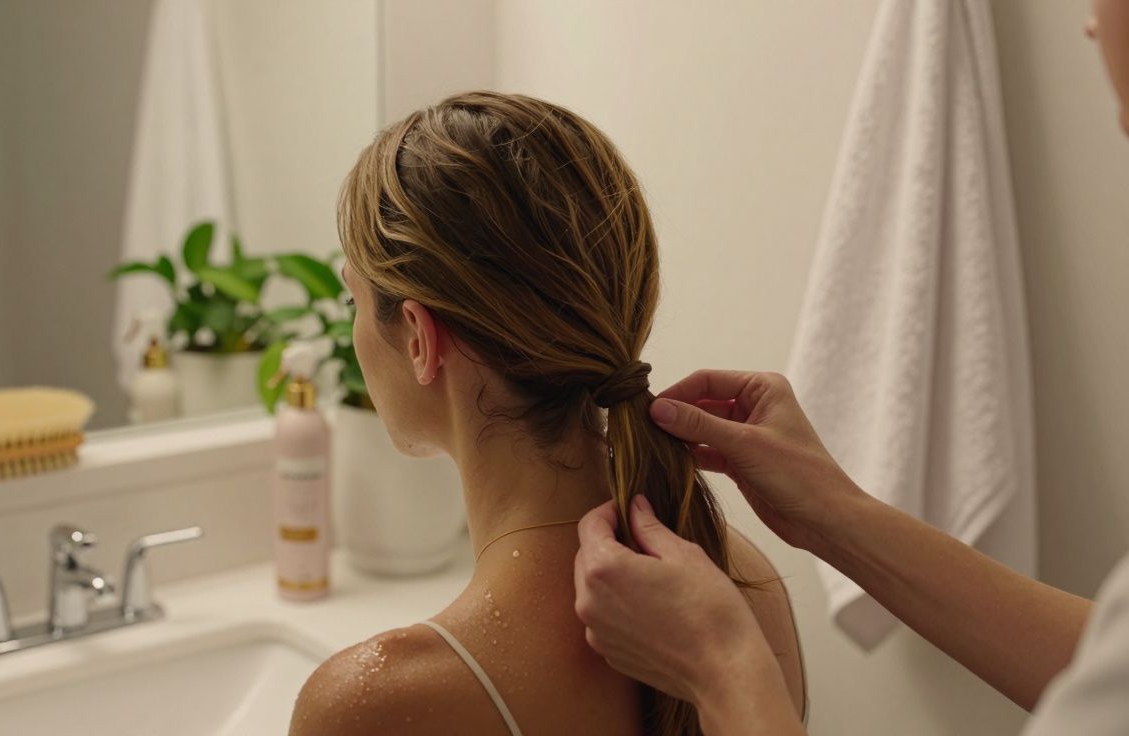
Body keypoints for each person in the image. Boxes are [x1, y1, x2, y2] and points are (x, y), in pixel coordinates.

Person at [573, 3, 1129, 733]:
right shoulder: (754, 582)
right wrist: (835, 513)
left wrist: (725, 667)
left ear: (424, 337)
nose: (1088, 26)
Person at [290, 92, 805, 735]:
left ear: (420, 338)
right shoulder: (734, 576)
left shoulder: (375, 704)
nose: (354, 329)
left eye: (354, 302)